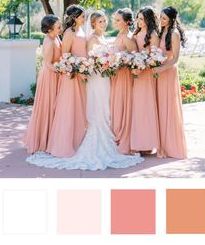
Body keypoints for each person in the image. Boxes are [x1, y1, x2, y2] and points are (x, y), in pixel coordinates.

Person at [26, 10, 144, 170]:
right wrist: (88, 66)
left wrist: (109, 62)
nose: (104, 24)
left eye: (105, 21)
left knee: (103, 106)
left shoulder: (97, 36)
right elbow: (84, 57)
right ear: (92, 23)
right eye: (100, 21)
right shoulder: (88, 37)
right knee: (97, 105)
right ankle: (92, 137)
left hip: (101, 75)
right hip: (94, 75)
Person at [46, 4, 87, 158]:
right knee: (70, 108)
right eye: (82, 16)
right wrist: (78, 67)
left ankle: (78, 140)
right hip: (72, 75)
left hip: (82, 74)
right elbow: (65, 55)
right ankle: (65, 144)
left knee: (80, 108)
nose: (84, 19)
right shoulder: (70, 32)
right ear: (75, 18)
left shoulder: (82, 30)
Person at [24, 14, 62, 154]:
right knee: (49, 106)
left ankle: (53, 137)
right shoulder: (49, 41)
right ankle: (43, 140)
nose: (60, 27)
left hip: (56, 74)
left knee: (55, 107)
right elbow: (47, 63)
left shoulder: (56, 37)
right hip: (50, 76)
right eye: (58, 26)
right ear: (50, 29)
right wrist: (63, 70)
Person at [153, 6, 187, 159]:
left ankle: (171, 146)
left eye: (164, 18)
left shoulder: (174, 34)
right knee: (160, 107)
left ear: (172, 19)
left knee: (168, 108)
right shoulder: (162, 32)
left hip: (168, 73)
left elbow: (175, 59)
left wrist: (162, 69)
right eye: (160, 17)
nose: (161, 20)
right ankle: (161, 144)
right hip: (159, 73)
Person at [131, 7, 160, 155]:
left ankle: (147, 143)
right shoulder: (136, 33)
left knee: (145, 107)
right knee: (137, 108)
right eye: (138, 18)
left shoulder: (153, 34)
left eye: (142, 19)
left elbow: (154, 57)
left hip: (146, 74)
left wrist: (141, 67)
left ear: (148, 19)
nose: (139, 21)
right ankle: (138, 142)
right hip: (135, 74)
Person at [110, 8, 137, 154]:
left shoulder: (127, 37)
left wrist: (120, 59)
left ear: (127, 22)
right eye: (115, 19)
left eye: (118, 20)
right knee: (116, 104)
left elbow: (135, 57)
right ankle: (116, 134)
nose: (115, 22)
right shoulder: (120, 34)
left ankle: (123, 136)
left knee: (122, 104)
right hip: (116, 75)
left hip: (124, 76)